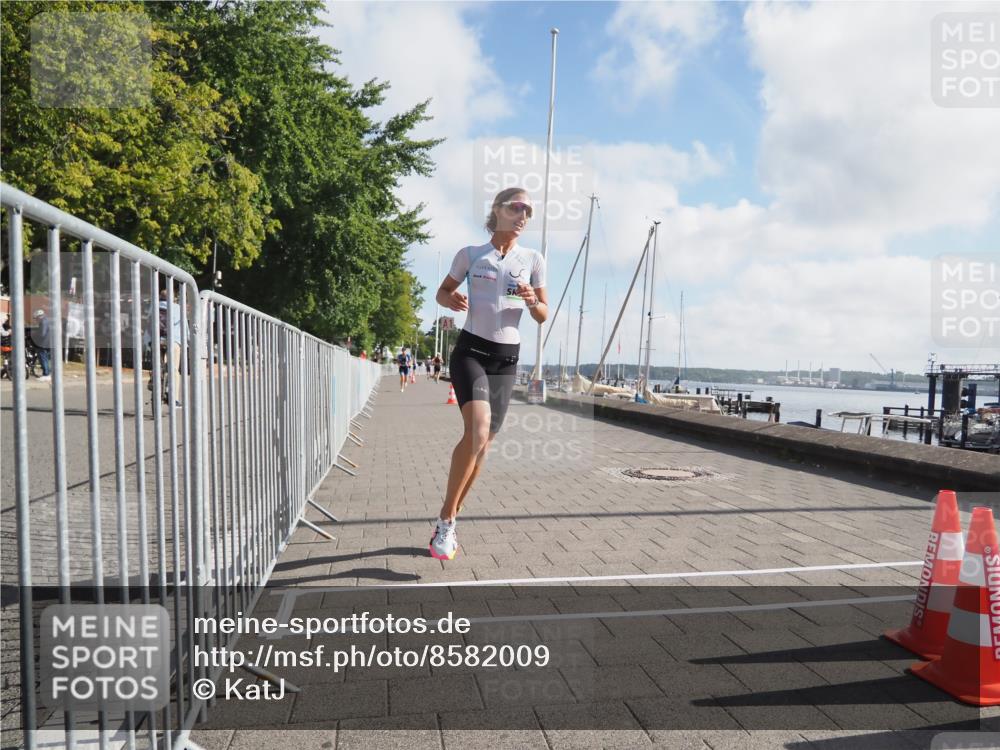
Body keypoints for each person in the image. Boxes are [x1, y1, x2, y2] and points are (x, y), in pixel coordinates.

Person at [428, 187, 548, 560]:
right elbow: (442, 292)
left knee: (485, 445)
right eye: (516, 207)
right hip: (471, 352)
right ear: (497, 211)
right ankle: (447, 520)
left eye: (528, 210)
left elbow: (544, 314)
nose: (523, 215)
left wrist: (532, 303)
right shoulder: (470, 255)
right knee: (477, 431)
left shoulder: (533, 259)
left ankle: (451, 515)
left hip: (506, 360)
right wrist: (452, 299)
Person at [33, 309, 52, 381]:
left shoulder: (43, 321)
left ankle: (46, 374)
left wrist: (34, 334)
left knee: (43, 358)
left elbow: (42, 334)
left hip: (44, 343)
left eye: (36, 318)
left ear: (39, 316)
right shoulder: (48, 320)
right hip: (50, 343)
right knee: (47, 359)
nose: (36, 320)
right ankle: (48, 374)